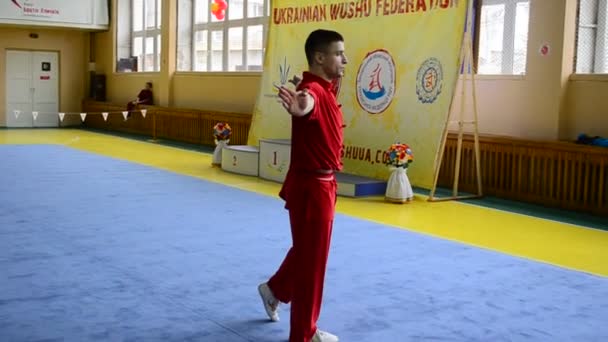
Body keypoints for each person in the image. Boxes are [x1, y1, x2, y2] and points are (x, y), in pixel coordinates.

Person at [258, 29, 347, 342]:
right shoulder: (311, 90)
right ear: (320, 58)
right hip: (313, 188)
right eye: (339, 53)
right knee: (313, 264)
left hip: (321, 185)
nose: (344, 60)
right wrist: (301, 109)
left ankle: (276, 289)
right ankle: (303, 336)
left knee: (310, 253)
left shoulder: (324, 88)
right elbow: (305, 104)